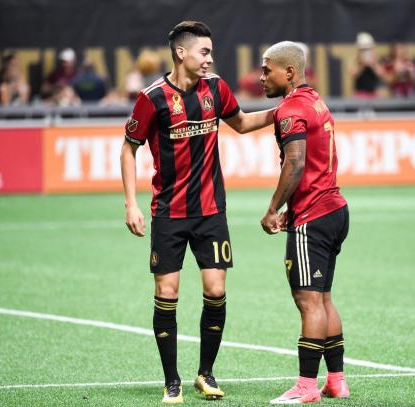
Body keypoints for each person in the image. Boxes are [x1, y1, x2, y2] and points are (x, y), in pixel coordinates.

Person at [120, 20, 275, 404]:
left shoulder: (216, 88)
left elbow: (240, 124)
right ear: (181, 53)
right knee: (167, 292)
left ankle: (205, 373)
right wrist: (130, 203)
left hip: (211, 211)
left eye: (210, 52)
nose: (210, 59)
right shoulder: (152, 97)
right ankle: (171, 380)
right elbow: (128, 147)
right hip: (169, 212)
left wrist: (281, 110)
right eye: (204, 52)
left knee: (216, 289)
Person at [259, 41, 350, 404]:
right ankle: (337, 381)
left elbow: (294, 163)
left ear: (290, 72)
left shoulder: (292, 109)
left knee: (308, 301)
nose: (262, 76)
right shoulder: (314, 100)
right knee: (324, 299)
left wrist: (272, 209)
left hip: (312, 217)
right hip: (336, 209)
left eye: (268, 70)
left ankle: (306, 386)